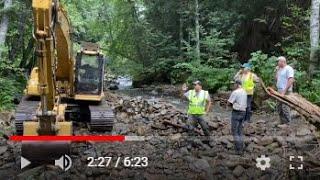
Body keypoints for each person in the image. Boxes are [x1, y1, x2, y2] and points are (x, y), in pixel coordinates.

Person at [227, 80, 247, 155]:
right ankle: (241, 147)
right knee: (240, 130)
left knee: (234, 131)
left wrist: (227, 106)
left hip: (236, 112)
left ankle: (238, 149)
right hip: (243, 112)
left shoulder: (235, 92)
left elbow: (229, 102)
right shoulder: (244, 91)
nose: (233, 85)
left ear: (238, 84)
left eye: (234, 84)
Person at [275, 56, 294, 124]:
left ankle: (288, 122)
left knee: (285, 107)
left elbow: (291, 80)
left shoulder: (288, 68)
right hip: (279, 90)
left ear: (283, 61)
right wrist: (277, 70)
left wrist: (284, 91)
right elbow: (277, 79)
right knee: (279, 107)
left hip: (286, 91)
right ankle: (282, 122)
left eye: (278, 61)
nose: (277, 63)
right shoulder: (279, 69)